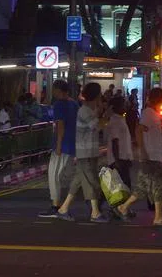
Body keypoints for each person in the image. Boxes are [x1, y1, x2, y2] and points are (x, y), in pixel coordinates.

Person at [116, 87, 162, 226]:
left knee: (145, 186)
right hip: (150, 157)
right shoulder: (148, 113)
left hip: (153, 156)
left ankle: (125, 207)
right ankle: (157, 217)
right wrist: (143, 151)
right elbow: (138, 130)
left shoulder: (152, 114)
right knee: (157, 185)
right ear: (159, 99)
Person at [56, 82, 107, 222]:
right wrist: (107, 116)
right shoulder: (84, 110)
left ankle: (63, 209)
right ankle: (95, 213)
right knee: (91, 182)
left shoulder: (89, 110)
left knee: (78, 181)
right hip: (85, 153)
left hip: (89, 152)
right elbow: (97, 126)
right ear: (96, 95)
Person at [39, 80, 77, 218]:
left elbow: (60, 125)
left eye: (54, 90)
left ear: (58, 90)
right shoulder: (74, 104)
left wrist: (58, 145)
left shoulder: (59, 105)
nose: (53, 92)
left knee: (54, 175)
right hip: (72, 145)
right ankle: (63, 204)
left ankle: (55, 206)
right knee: (65, 176)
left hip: (62, 145)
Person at [106, 95, 133, 188]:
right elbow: (115, 141)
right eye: (123, 105)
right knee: (123, 188)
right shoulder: (116, 121)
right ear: (116, 108)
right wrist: (116, 161)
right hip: (119, 159)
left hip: (123, 157)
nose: (125, 107)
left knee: (122, 188)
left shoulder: (120, 119)